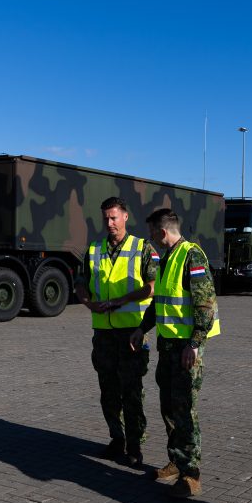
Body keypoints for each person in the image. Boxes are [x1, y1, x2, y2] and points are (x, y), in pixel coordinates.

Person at [130, 208, 219, 498]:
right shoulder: (167, 258)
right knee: (168, 407)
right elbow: (160, 303)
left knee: (185, 412)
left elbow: (205, 303)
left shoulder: (192, 256)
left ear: (162, 231)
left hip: (186, 349)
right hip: (167, 347)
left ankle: (191, 475)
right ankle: (176, 460)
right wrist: (143, 328)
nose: (151, 239)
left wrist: (194, 344)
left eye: (152, 233)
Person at [74, 197, 157, 468]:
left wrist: (120, 301)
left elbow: (151, 287)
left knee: (132, 390)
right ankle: (116, 439)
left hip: (132, 333)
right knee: (107, 390)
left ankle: (134, 445)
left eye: (114, 217)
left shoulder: (143, 247)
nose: (109, 223)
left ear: (125, 217)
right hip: (104, 335)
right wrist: (88, 303)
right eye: (106, 218)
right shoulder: (94, 249)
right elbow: (81, 282)